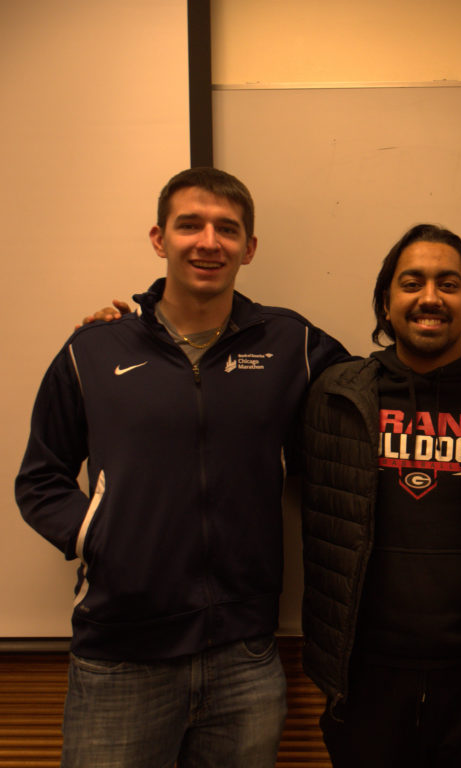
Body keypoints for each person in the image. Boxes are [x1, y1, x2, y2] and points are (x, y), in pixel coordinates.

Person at [15, 167, 348, 768]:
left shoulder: (291, 345)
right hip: (120, 658)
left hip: (245, 659)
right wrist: (98, 535)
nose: (208, 242)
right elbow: (40, 478)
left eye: (228, 229)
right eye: (190, 225)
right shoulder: (94, 349)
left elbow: (380, 397)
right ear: (159, 238)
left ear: (249, 247)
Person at [299, 223, 461, 767]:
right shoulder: (334, 398)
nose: (430, 297)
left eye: (449, 283)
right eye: (412, 282)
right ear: (386, 303)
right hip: (364, 683)